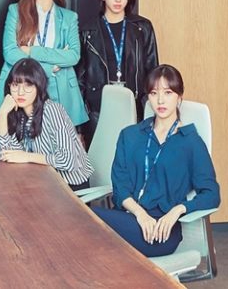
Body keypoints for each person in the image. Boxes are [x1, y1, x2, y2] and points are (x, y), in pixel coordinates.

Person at [93, 65, 220, 257]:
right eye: (154, 93)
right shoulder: (130, 135)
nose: (160, 100)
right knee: (82, 217)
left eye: (168, 93)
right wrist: (140, 214)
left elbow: (211, 194)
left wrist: (177, 210)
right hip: (127, 218)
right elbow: (120, 188)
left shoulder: (191, 142)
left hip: (161, 230)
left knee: (87, 224)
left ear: (179, 97)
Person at [0, 0, 88, 128]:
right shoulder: (15, 11)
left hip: (59, 88)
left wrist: (31, 51)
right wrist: (50, 66)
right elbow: (10, 53)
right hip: (23, 87)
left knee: (57, 139)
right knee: (19, 139)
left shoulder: (69, 17)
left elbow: (73, 56)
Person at [78, 0, 158, 146]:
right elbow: (80, 81)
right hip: (99, 112)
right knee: (101, 161)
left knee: (132, 159)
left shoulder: (142, 28)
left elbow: (153, 73)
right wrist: (81, 127)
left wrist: (150, 111)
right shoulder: (87, 31)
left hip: (134, 109)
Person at [0, 58, 92, 190]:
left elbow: (68, 161)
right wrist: (2, 114)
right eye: (15, 85)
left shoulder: (52, 110)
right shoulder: (17, 112)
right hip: (41, 182)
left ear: (39, 87)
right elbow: (4, 154)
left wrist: (27, 157)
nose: (20, 92)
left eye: (28, 85)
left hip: (70, 186)